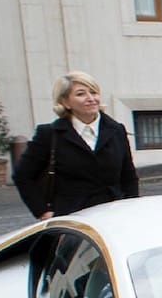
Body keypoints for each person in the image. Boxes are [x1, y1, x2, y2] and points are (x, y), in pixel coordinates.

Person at [13, 72, 139, 219]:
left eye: (94, 92)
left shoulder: (116, 130)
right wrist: (44, 213)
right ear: (65, 102)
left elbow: (128, 176)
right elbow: (23, 176)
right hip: (72, 220)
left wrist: (130, 208)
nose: (91, 99)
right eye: (81, 94)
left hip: (113, 216)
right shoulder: (49, 134)